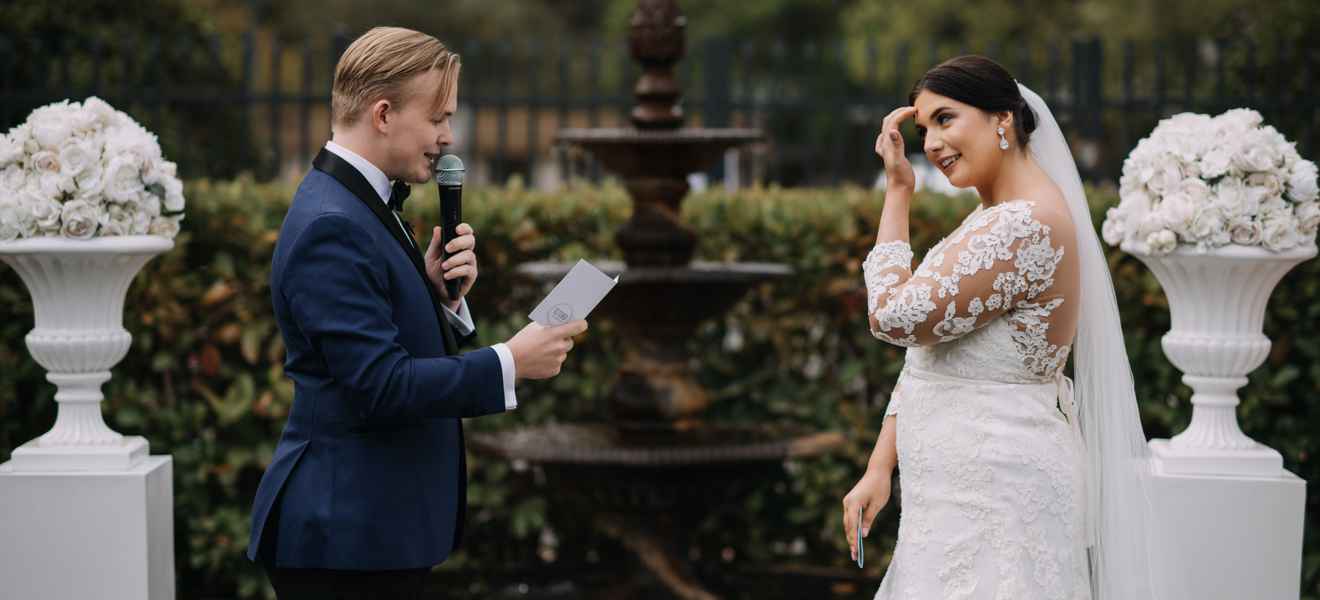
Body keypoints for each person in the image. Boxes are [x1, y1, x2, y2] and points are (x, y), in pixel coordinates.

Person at [245, 27, 587, 599]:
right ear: (383, 114)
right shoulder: (333, 223)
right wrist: (510, 361)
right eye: (437, 119)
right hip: (345, 539)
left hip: (371, 531)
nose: (447, 137)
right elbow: (379, 385)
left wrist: (441, 299)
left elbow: (379, 342)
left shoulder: (358, 204)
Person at [841, 55, 1160, 599]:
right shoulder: (996, 217)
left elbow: (892, 318)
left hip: (996, 494)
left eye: (946, 119)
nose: (932, 144)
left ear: (1002, 120)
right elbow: (934, 357)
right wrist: (880, 465)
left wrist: (898, 193)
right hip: (956, 493)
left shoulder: (1024, 224)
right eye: (922, 130)